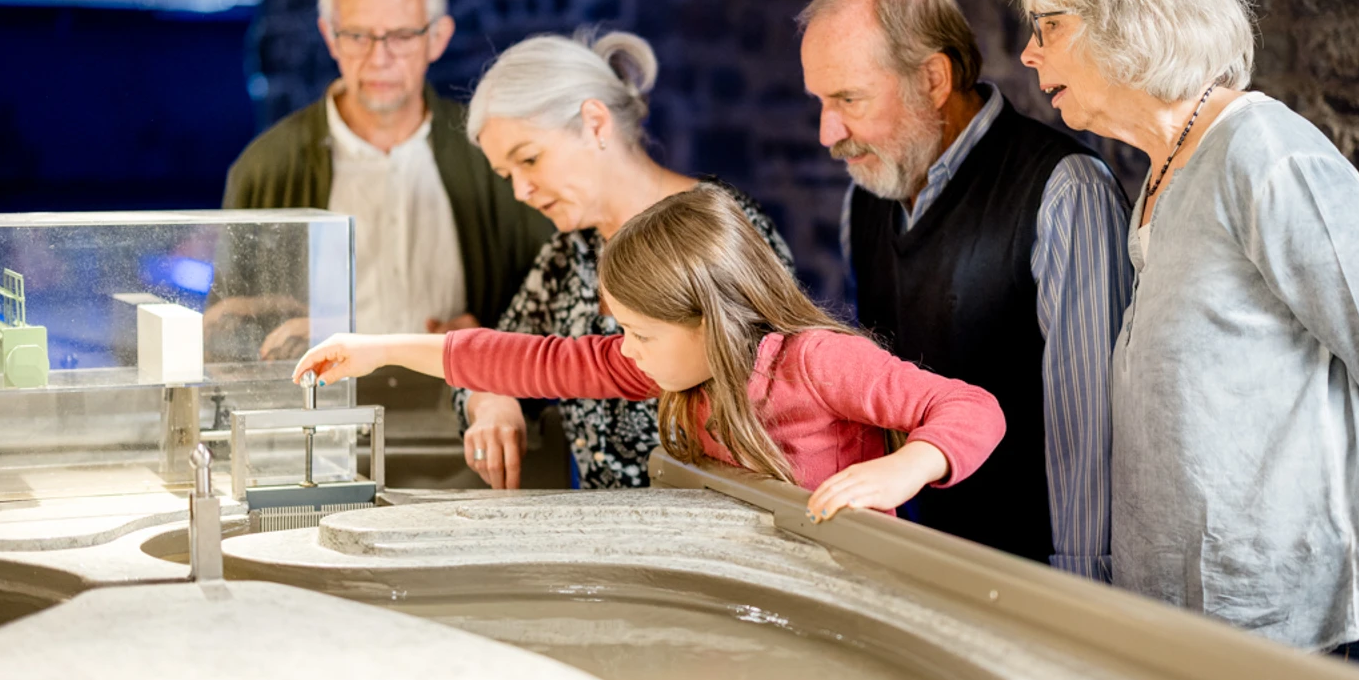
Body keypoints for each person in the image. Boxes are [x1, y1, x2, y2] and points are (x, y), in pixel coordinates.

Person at [1017, 0, 1359, 680]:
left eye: (1050, 25)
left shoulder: (1264, 150)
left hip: (1328, 635)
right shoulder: (1163, 172)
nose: (1028, 51)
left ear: (1133, 18)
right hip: (1219, 641)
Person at [293, 185, 1004, 519]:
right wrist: (376, 348)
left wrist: (906, 467)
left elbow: (970, 407)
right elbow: (524, 360)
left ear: (710, 320)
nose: (624, 352)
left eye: (640, 332)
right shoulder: (666, 364)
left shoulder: (816, 361)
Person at [798, 0, 1130, 580]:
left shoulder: (1064, 191)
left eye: (848, 99)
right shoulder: (865, 196)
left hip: (1029, 586)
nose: (828, 133)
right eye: (821, 102)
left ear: (932, 79)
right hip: (912, 569)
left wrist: (1084, 603)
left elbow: (1089, 438)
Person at [456, 30, 794, 490]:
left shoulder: (723, 230)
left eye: (529, 160)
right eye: (506, 175)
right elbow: (492, 359)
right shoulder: (567, 254)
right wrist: (492, 399)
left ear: (595, 122)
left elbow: (786, 409)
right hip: (610, 545)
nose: (520, 191)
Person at [216, 0, 551, 359]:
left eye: (401, 35)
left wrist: (491, 339)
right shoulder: (265, 166)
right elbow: (225, 333)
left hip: (464, 415)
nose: (378, 58)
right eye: (357, 35)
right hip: (318, 415)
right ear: (330, 36)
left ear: (438, 37)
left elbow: (558, 303)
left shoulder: (493, 154)